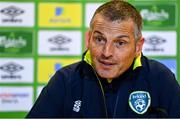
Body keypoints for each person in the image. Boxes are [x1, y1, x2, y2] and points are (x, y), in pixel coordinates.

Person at [26, 0, 180, 118]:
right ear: (89, 38)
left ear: (138, 46)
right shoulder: (65, 80)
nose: (106, 52)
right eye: (100, 39)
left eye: (120, 43)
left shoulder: (160, 78)